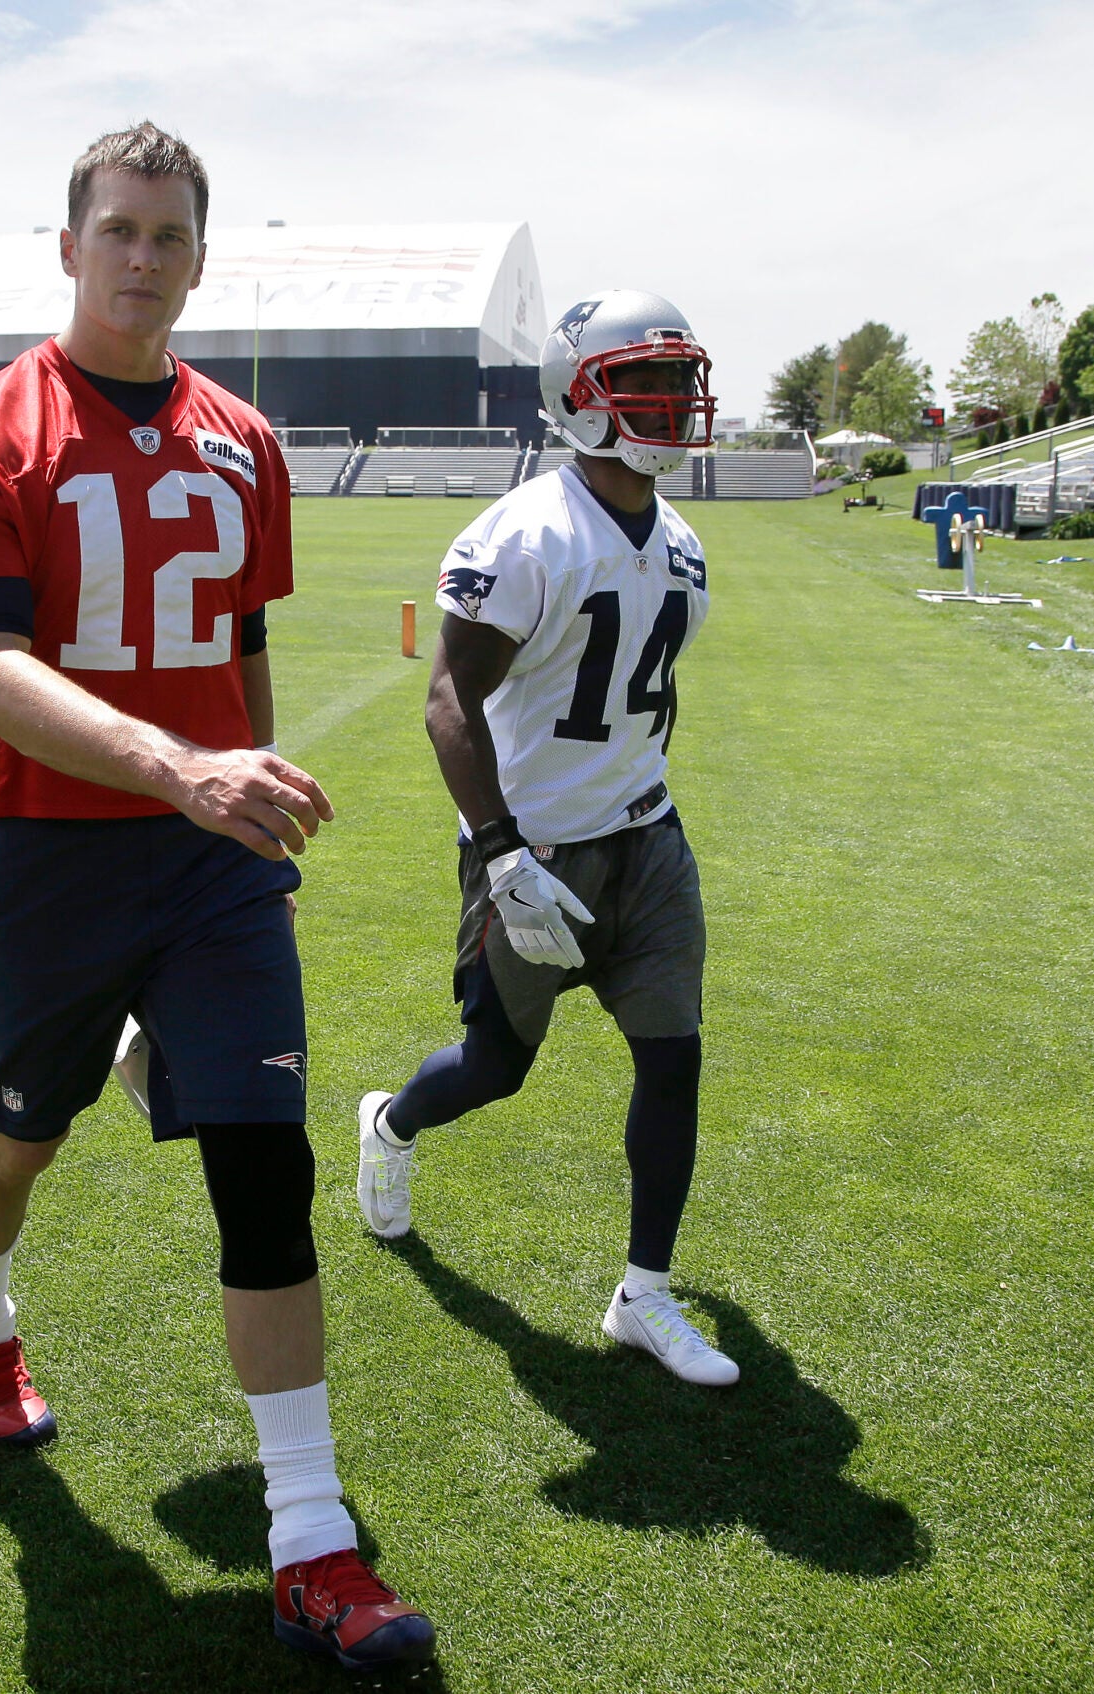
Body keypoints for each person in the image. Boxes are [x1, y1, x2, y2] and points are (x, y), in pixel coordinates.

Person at [0, 122, 433, 1671]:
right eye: (118, 229)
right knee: (20, 1133)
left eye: (170, 235)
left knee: (265, 1174)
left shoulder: (244, 439)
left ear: (201, 259)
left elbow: (245, 653)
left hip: (211, 866)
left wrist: (242, 788)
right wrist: (177, 766)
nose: (143, 257)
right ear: (70, 246)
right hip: (53, 855)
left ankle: (312, 1541)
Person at [355, 290, 740, 1389]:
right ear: (578, 396)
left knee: (674, 1056)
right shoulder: (525, 531)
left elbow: (638, 699)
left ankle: (644, 1292)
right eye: (644, 383)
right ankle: (391, 1123)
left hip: (647, 841)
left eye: (679, 381)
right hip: (533, 849)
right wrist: (504, 850)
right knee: (495, 1068)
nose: (671, 403)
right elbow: (446, 699)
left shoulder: (681, 541)